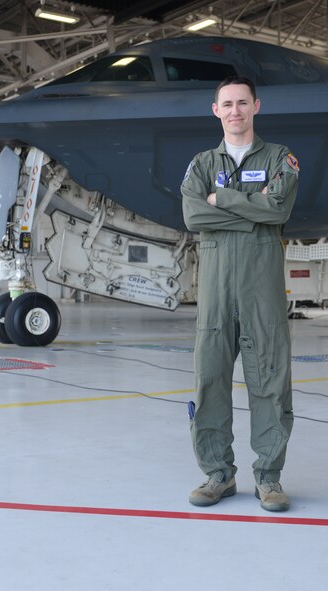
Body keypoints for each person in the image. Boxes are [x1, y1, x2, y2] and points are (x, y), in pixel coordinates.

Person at [181, 76, 299, 512]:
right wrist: (253, 209)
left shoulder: (279, 159)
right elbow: (193, 215)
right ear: (216, 110)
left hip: (261, 295)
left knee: (269, 384)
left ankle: (269, 479)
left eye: (242, 103)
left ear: (256, 107)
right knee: (210, 382)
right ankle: (217, 475)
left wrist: (222, 200)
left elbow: (280, 208)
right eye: (227, 104)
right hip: (214, 295)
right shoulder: (200, 164)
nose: (235, 110)